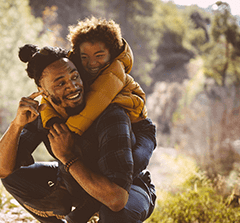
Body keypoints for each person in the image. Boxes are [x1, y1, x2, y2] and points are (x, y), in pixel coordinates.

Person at [0, 45, 156, 223]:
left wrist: (68, 158)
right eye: (60, 83)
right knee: (15, 179)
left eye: (74, 76)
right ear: (42, 91)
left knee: (116, 216)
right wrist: (16, 125)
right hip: (78, 183)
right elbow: (1, 170)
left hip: (129, 188)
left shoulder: (110, 115)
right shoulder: (45, 115)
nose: (72, 86)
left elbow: (116, 198)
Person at [40, 17, 156, 177]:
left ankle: (136, 189)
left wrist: (67, 132)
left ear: (112, 54)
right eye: (85, 57)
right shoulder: (77, 73)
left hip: (139, 129)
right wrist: (52, 121)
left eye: (99, 55)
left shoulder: (113, 75)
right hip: (111, 129)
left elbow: (93, 106)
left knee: (132, 164)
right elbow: (47, 98)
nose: (91, 63)